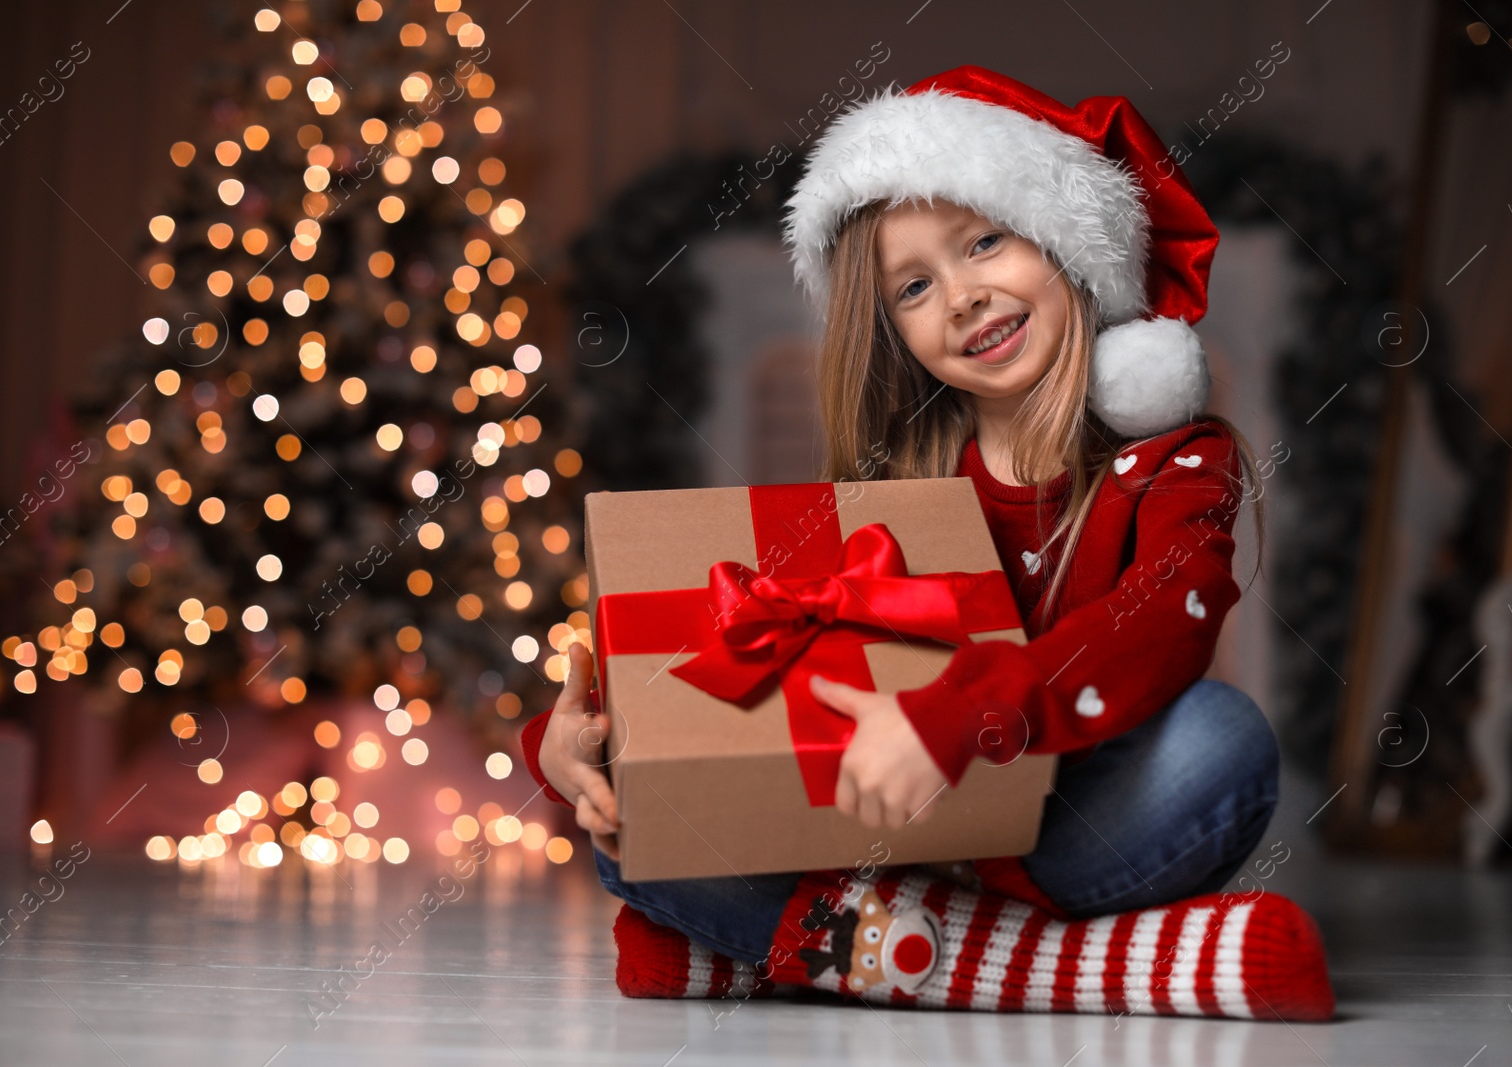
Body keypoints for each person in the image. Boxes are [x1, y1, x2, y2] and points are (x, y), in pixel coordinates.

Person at [520, 65, 1334, 1020]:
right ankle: (1060, 966)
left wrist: (961, 720)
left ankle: (826, 943)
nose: (962, 297)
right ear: (894, 331)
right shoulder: (897, 483)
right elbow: (761, 681)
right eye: (914, 285)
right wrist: (563, 746)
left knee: (1223, 741)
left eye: (984, 240)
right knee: (633, 832)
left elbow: (1161, 618)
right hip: (889, 831)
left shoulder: (1179, 463)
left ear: (1068, 242)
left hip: (1063, 832)